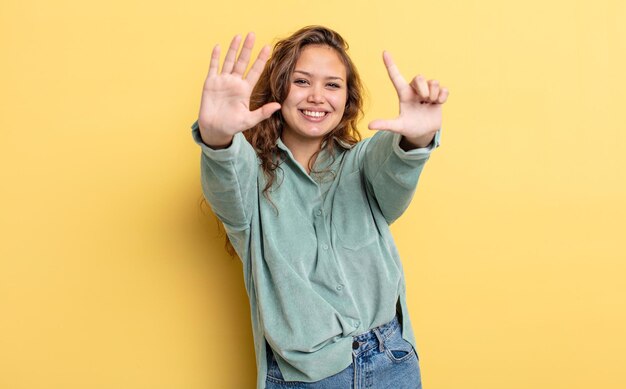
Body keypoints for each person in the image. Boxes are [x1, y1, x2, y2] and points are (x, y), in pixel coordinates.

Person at [191, 26, 448, 389]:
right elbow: (226, 178)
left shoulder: (360, 163)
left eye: (332, 85)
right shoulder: (251, 179)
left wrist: (416, 138)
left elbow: (393, 164)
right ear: (279, 88)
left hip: (393, 360)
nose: (317, 97)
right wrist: (217, 137)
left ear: (347, 98)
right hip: (307, 378)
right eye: (301, 81)